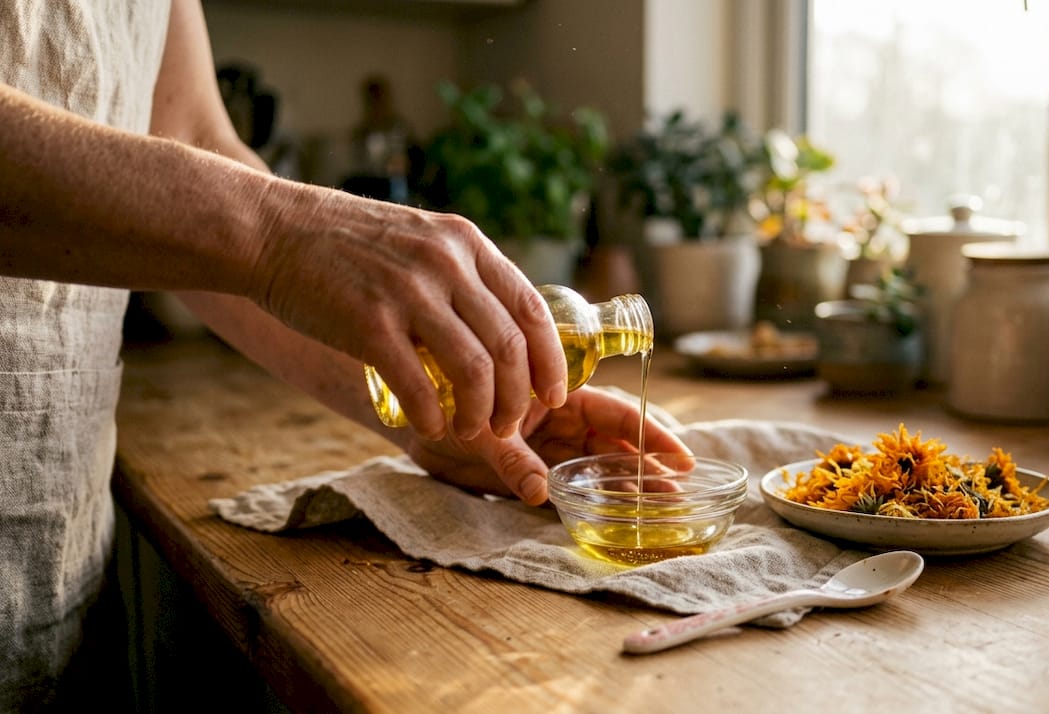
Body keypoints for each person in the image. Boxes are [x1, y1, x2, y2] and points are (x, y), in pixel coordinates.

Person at [0, 0, 688, 708]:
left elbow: (184, 138)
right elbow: (248, 235)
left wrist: (435, 411)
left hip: (54, 559)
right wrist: (281, 231)